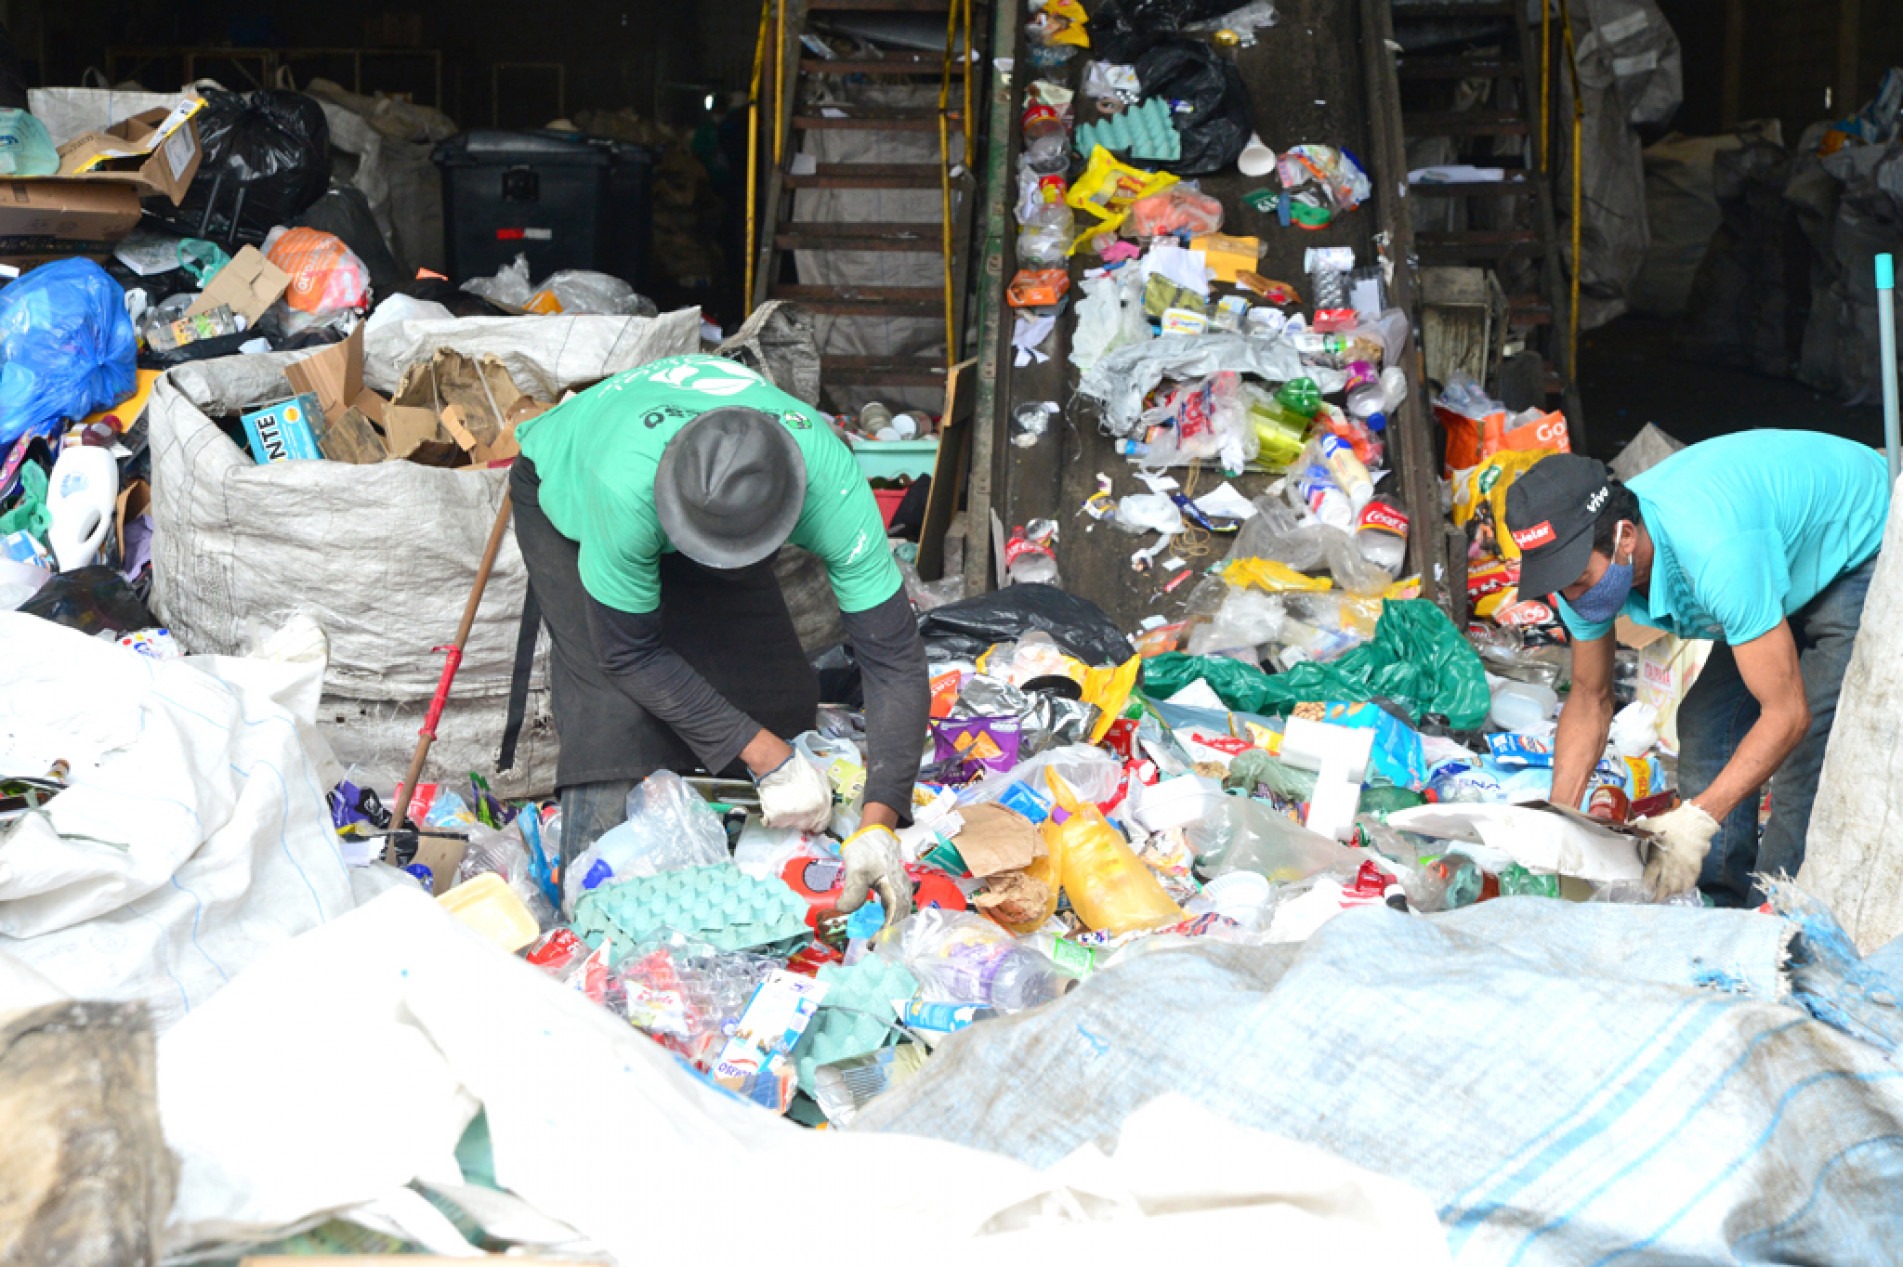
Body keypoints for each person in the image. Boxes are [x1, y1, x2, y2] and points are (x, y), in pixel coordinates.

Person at [511, 353, 927, 924]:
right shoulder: (622, 490)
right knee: (612, 713)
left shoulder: (829, 479)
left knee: (773, 687)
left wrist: (878, 825)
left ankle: (750, 879)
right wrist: (768, 758)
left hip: (720, 503)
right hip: (579, 482)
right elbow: (627, 652)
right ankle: (589, 906)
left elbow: (893, 656)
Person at [1503, 432, 1889, 906]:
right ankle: (1714, 901)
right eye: (1560, 585)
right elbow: (1589, 696)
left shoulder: (1712, 553)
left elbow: (1787, 715)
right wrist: (1559, 818)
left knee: (1806, 752)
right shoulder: (1585, 573)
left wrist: (1696, 820)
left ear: (1625, 537)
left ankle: (1781, 914)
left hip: (1855, 539)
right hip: (1769, 559)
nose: (1574, 599)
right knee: (1706, 725)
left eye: (1580, 580)